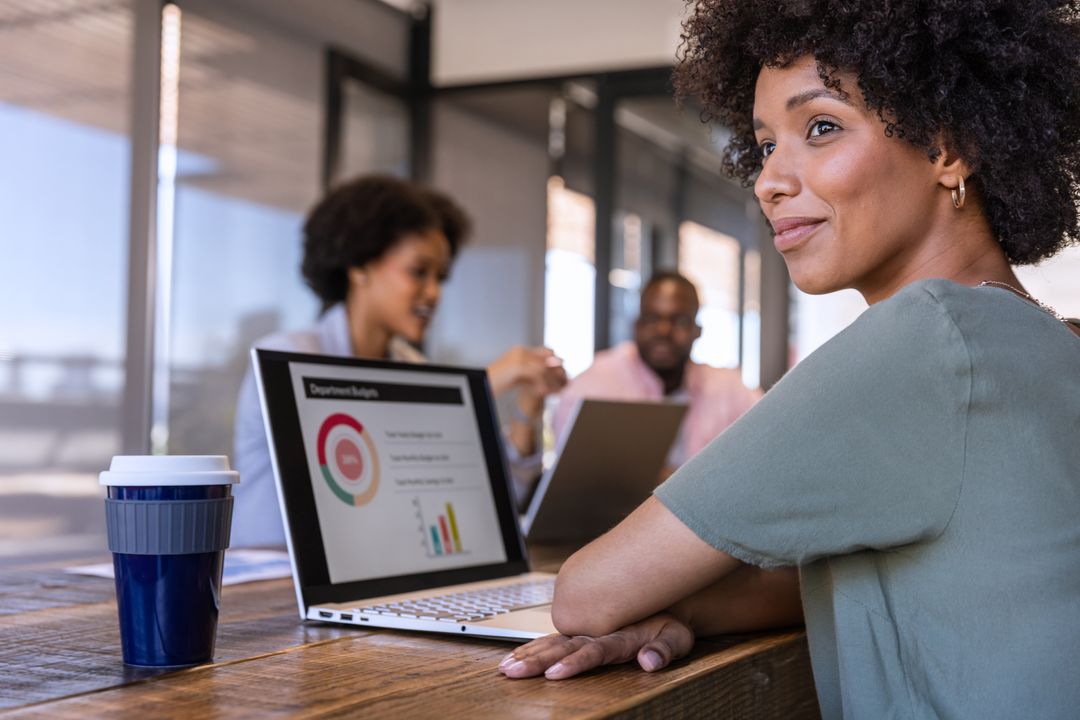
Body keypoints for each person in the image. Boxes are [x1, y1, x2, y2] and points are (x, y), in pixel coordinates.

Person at [499, 2, 1080, 718]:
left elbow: (587, 594)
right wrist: (695, 615)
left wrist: (659, 608)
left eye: (822, 127)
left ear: (946, 147)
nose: (770, 179)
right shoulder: (1047, 337)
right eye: (766, 144)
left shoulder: (921, 338)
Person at [231, 175, 566, 548]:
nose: (434, 292)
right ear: (359, 266)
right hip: (266, 577)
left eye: (441, 276)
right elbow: (358, 449)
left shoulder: (411, 366)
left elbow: (494, 496)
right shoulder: (287, 355)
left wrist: (527, 408)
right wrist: (478, 387)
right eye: (418, 272)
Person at [552, 270, 760, 471]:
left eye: (679, 320)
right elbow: (573, 472)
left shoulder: (727, 387)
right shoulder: (596, 384)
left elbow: (767, 439)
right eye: (653, 319)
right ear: (637, 326)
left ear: (697, 331)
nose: (663, 331)